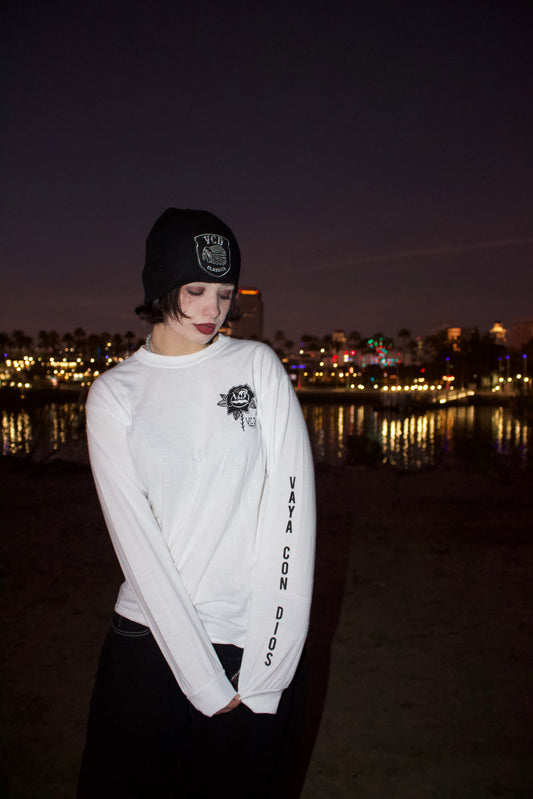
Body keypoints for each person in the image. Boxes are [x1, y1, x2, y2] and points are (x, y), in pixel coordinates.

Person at [77, 208, 316, 799]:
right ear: (162, 287)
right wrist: (202, 678)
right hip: (148, 640)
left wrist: (269, 663)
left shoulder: (256, 366)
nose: (214, 310)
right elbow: (136, 542)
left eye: (225, 294)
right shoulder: (114, 394)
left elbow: (292, 512)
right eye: (196, 290)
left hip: (249, 641)